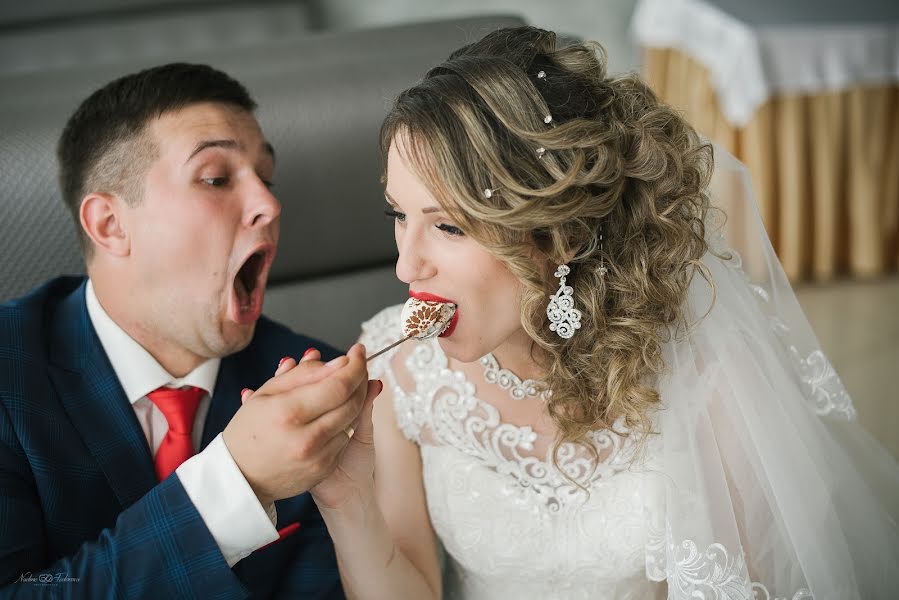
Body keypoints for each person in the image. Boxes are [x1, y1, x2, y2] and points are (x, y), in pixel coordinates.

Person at [293, 26, 899, 599]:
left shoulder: (710, 376)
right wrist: (350, 504)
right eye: (399, 216)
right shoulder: (398, 374)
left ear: (558, 236)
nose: (406, 267)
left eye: (448, 226)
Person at [0, 63, 380, 598]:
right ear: (111, 225)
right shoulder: (9, 370)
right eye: (216, 178)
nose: (270, 206)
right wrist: (237, 483)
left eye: (266, 179)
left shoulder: (310, 383)